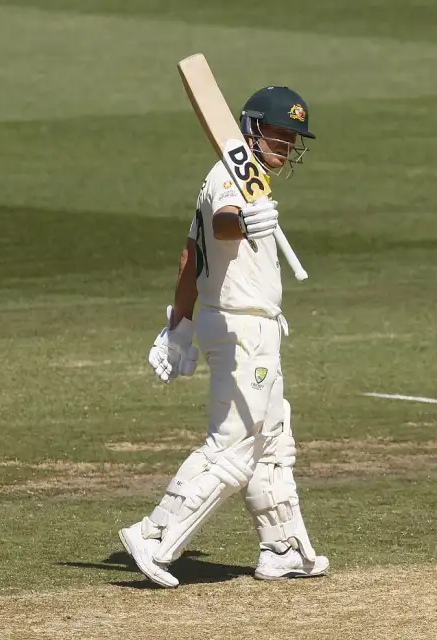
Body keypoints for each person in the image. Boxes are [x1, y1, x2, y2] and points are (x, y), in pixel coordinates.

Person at [117, 86, 328, 588]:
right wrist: (244, 220)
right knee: (233, 446)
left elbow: (191, 258)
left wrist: (180, 326)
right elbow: (223, 222)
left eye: (293, 140)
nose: (287, 147)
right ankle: (153, 536)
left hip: (235, 323)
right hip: (241, 329)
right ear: (252, 130)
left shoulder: (240, 176)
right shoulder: (235, 178)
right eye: (279, 136)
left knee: (272, 440)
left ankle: (282, 547)